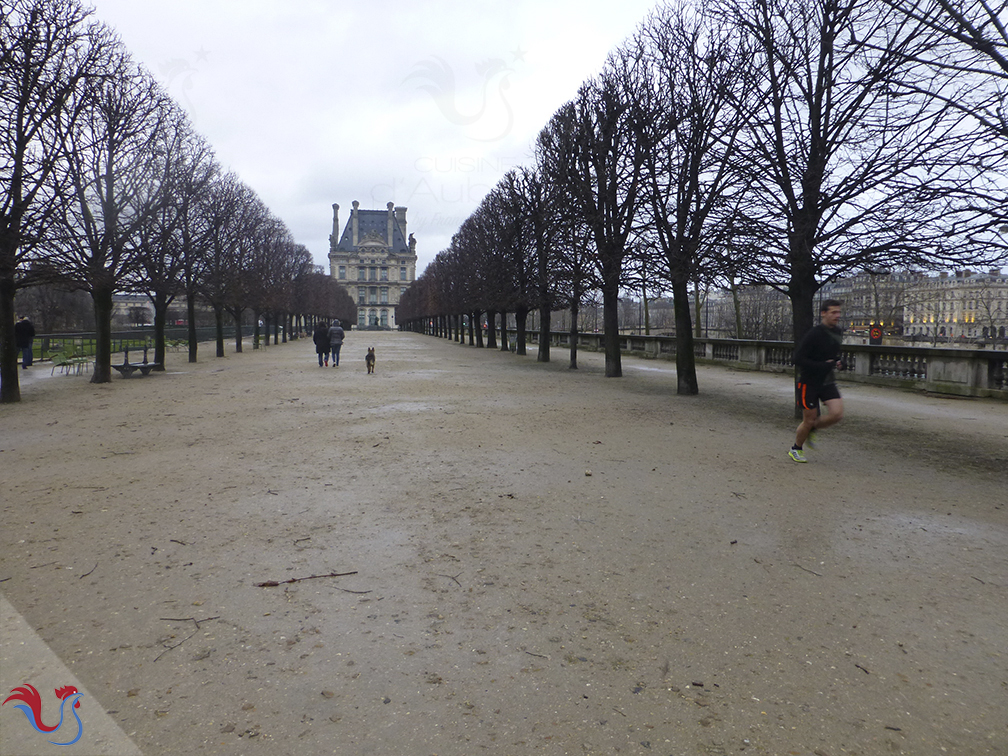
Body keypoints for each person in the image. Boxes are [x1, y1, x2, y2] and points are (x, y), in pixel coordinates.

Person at [789, 299, 846, 463]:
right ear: (823, 313)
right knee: (809, 420)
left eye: (838, 312)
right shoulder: (814, 333)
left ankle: (812, 428)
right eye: (833, 312)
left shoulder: (838, 332)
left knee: (837, 414)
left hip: (827, 381)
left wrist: (840, 362)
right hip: (809, 382)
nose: (837, 316)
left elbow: (835, 355)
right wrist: (821, 366)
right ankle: (796, 449)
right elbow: (797, 359)